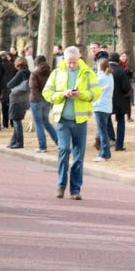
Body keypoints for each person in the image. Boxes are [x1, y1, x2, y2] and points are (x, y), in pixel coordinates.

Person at [42, 46, 101, 200]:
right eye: (69, 62)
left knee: (78, 156)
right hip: (62, 119)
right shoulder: (57, 73)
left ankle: (75, 189)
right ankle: (61, 185)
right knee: (63, 151)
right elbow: (47, 93)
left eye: (74, 62)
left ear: (79, 58)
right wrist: (62, 94)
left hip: (80, 121)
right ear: (64, 59)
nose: (72, 65)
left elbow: (96, 93)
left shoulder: (88, 73)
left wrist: (80, 94)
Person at [29, 55, 58, 153]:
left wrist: (38, 99)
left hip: (36, 101)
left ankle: (42, 146)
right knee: (46, 123)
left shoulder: (34, 74)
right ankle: (59, 142)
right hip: (47, 100)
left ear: (36, 64)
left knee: (39, 124)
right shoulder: (51, 73)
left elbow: (33, 88)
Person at [108, 52, 132, 151]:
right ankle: (119, 145)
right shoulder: (120, 71)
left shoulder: (105, 71)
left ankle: (110, 139)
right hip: (120, 100)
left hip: (108, 100)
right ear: (118, 60)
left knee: (107, 120)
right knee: (121, 121)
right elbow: (126, 87)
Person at [6, 57, 31, 149]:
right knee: (17, 120)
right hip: (24, 99)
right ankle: (13, 141)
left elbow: (10, 84)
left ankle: (19, 142)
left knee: (16, 121)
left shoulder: (21, 72)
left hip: (16, 99)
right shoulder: (28, 72)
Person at [92, 58, 113, 162]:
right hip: (107, 106)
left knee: (102, 132)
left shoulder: (100, 77)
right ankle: (106, 153)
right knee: (103, 131)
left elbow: (93, 89)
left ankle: (104, 154)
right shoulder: (109, 76)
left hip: (100, 106)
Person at [0, 51, 16, 128]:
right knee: (12, 105)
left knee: (4, 107)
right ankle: (12, 122)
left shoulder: (1, 65)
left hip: (4, 87)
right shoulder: (12, 65)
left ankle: (5, 124)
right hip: (12, 86)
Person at [118, 51, 135, 121]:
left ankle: (129, 117)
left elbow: (132, 76)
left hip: (127, 85)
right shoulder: (118, 65)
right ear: (119, 57)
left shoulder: (128, 65)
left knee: (128, 102)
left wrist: (131, 75)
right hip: (119, 86)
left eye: (125, 56)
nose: (124, 58)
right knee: (119, 101)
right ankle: (118, 116)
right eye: (122, 56)